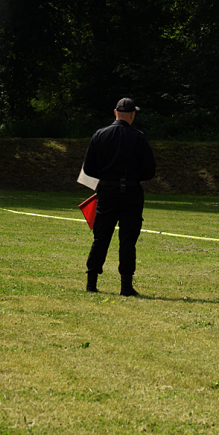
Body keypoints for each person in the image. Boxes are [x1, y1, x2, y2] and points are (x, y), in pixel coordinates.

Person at [82, 98, 156, 296]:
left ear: (115, 113)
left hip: (106, 192)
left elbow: (89, 169)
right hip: (131, 194)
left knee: (101, 237)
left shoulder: (99, 135)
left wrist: (106, 176)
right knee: (128, 239)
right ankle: (125, 286)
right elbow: (150, 172)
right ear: (132, 115)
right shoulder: (139, 138)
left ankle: (91, 283)